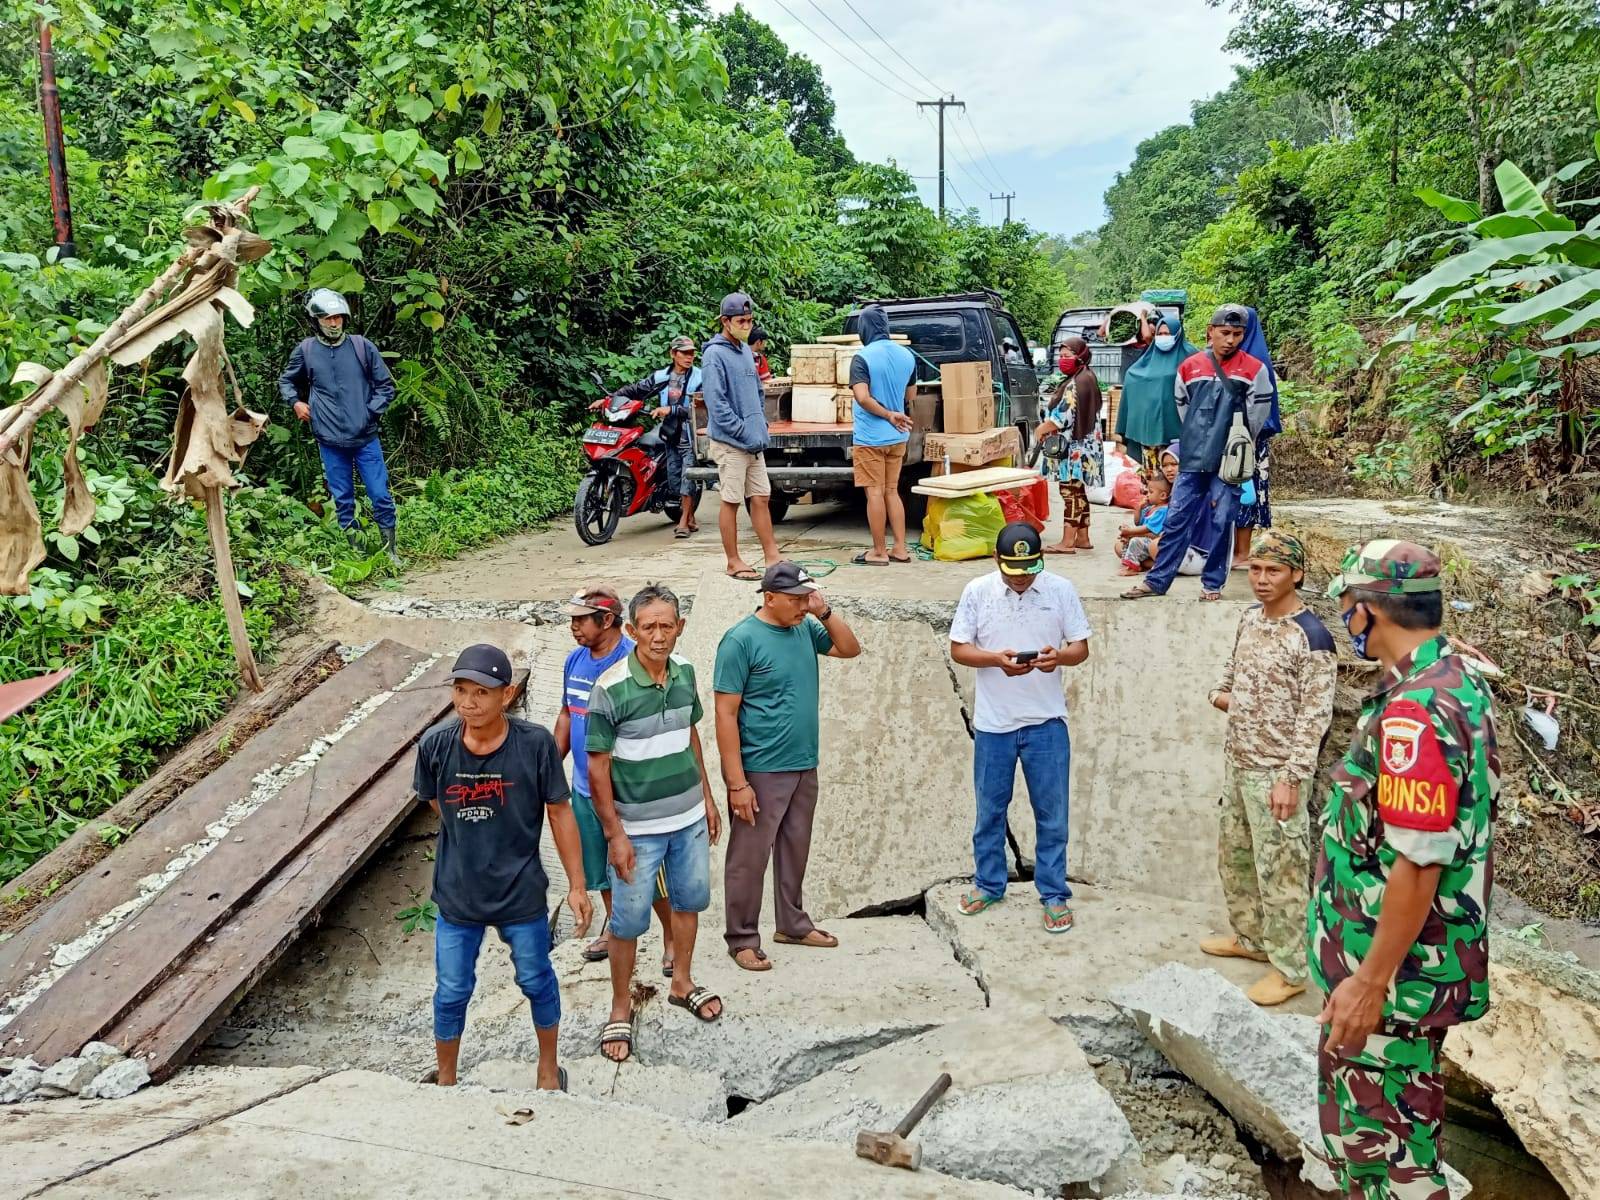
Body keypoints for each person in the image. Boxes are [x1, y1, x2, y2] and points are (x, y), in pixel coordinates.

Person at [1314, 540, 1498, 1200]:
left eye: (1346, 610)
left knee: (1387, 1162)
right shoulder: (1455, 679)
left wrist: (1368, 982)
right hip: (1410, 972)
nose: (1345, 624)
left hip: (1394, 982)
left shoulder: (1415, 713)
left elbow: (1418, 865)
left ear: (1368, 613)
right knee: (1397, 1135)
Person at [413, 644, 593, 1091]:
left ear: (507, 694)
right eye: (460, 690)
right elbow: (435, 801)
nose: (468, 703)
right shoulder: (435, 746)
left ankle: (548, 1070)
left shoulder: (534, 745)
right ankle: (447, 1080)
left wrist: (577, 884)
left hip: (521, 894)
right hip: (458, 896)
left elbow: (560, 811)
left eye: (481, 692)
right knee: (452, 990)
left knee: (536, 980)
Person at [586, 584, 724, 1062]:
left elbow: (690, 737)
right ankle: (620, 1006)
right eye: (649, 627)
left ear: (680, 628)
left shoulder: (685, 673)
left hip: (687, 818)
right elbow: (597, 766)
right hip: (636, 829)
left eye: (668, 626)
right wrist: (615, 834)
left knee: (690, 901)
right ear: (631, 631)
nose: (659, 635)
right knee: (627, 921)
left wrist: (707, 798)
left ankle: (681, 981)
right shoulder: (611, 688)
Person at [1203, 531, 1336, 1006]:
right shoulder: (1248, 621)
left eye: (1273, 571)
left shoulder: (1312, 637)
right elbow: (1227, 676)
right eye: (1255, 569)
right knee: (1235, 860)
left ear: (1296, 574)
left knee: (1282, 874)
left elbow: (1315, 718)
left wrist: (1291, 777)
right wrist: (1225, 698)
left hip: (1276, 774)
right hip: (1238, 763)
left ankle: (1292, 968)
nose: (1261, 579)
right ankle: (1251, 939)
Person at [714, 562, 861, 971]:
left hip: (803, 762)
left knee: (795, 847)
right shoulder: (740, 641)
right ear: (769, 597)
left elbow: (850, 649)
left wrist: (824, 612)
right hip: (761, 767)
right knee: (749, 856)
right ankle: (741, 937)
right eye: (795, 600)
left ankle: (792, 923)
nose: (802, 606)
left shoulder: (805, 628)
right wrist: (736, 783)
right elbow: (725, 714)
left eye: (805, 598)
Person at [949, 522, 1092, 934]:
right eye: (1014, 570)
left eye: (1029, 569)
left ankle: (1053, 894)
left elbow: (1080, 647)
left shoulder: (1061, 589)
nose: (1022, 577)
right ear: (998, 561)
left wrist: (1058, 658)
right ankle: (989, 883)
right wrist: (995, 660)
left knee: (1052, 815)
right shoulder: (977, 592)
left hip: (1047, 722)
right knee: (989, 812)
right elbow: (959, 649)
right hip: (994, 725)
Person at [553, 586, 675, 974]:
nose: (573, 627)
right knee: (600, 868)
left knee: (644, 871)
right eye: (571, 619)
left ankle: (671, 938)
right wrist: (549, 765)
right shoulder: (575, 660)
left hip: (625, 791)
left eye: (580, 619)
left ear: (608, 621)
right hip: (585, 787)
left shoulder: (632, 663)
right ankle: (614, 928)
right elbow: (566, 715)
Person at [1121, 305, 1273, 603]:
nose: (1230, 340)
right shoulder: (1190, 367)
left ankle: (1213, 584)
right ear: (1210, 331)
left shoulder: (1255, 370)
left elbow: (1257, 415)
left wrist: (1237, 443)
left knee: (1221, 519)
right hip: (1191, 458)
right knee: (1176, 519)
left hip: (1228, 460)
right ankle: (1156, 580)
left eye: (1237, 334)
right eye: (1225, 333)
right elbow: (1183, 406)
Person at [278, 288, 400, 563]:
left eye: (338, 318)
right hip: (329, 439)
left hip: (366, 437)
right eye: (327, 318)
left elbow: (385, 386)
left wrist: (370, 412)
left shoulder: (361, 346)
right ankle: (356, 551)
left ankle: (390, 551)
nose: (333, 323)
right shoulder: (306, 351)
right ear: (316, 321)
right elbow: (286, 381)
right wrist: (296, 402)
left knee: (380, 494)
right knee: (343, 499)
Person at [702, 293, 780, 582]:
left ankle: (773, 556)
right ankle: (733, 561)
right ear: (726, 321)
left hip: (754, 442)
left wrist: (760, 426)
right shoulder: (714, 355)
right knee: (731, 501)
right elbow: (716, 404)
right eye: (740, 321)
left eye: (749, 320)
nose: (746, 325)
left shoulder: (746, 351)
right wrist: (743, 432)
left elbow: (758, 392)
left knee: (761, 497)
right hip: (731, 443)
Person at [848, 304, 916, 566]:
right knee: (891, 491)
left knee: (874, 493)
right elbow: (910, 396)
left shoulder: (862, 358)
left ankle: (878, 551)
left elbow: (862, 397)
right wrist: (894, 412)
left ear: (863, 329)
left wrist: (886, 414)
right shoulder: (907, 355)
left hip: (869, 438)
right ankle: (900, 548)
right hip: (898, 436)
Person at [613, 337, 702, 539]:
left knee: (687, 475)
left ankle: (683, 523)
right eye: (684, 352)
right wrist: (611, 398)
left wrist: (670, 409)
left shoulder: (700, 377)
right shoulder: (661, 377)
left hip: (690, 433)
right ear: (673, 354)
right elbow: (636, 390)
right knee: (673, 478)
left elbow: (703, 406)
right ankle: (690, 517)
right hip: (670, 433)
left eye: (691, 353)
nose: (689, 357)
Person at [1034, 336, 1103, 555]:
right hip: (1087, 448)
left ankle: (1067, 541)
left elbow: (1062, 418)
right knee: (1079, 490)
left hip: (1074, 450)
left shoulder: (1075, 384)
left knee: (1069, 492)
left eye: (1068, 356)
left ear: (1080, 356)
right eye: (1060, 356)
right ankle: (1083, 537)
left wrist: (1041, 429)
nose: (1063, 360)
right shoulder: (1087, 377)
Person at [1232, 306, 1281, 566]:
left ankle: (1242, 552)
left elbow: (1262, 407)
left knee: (1245, 493)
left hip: (1249, 439)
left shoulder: (1255, 362)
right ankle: (1234, 549)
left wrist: (1246, 436)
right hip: (1232, 437)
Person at [1118, 314, 1194, 468]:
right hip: (1150, 434)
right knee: (1153, 482)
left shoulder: (1191, 357)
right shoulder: (1148, 359)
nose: (1163, 337)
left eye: (1167, 334)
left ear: (1178, 334)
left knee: (1177, 480)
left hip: (1179, 435)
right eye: (1160, 334)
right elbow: (1133, 376)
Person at [1115, 470, 1171, 575]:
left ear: (1163, 495)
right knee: (1119, 545)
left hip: (1154, 544)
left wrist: (1130, 532)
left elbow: (1148, 529)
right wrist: (1138, 508)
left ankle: (1132, 568)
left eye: (1151, 492)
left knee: (1135, 542)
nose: (1147, 495)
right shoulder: (1151, 508)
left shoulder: (1162, 510)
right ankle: (1142, 563)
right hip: (1145, 540)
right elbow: (1138, 523)